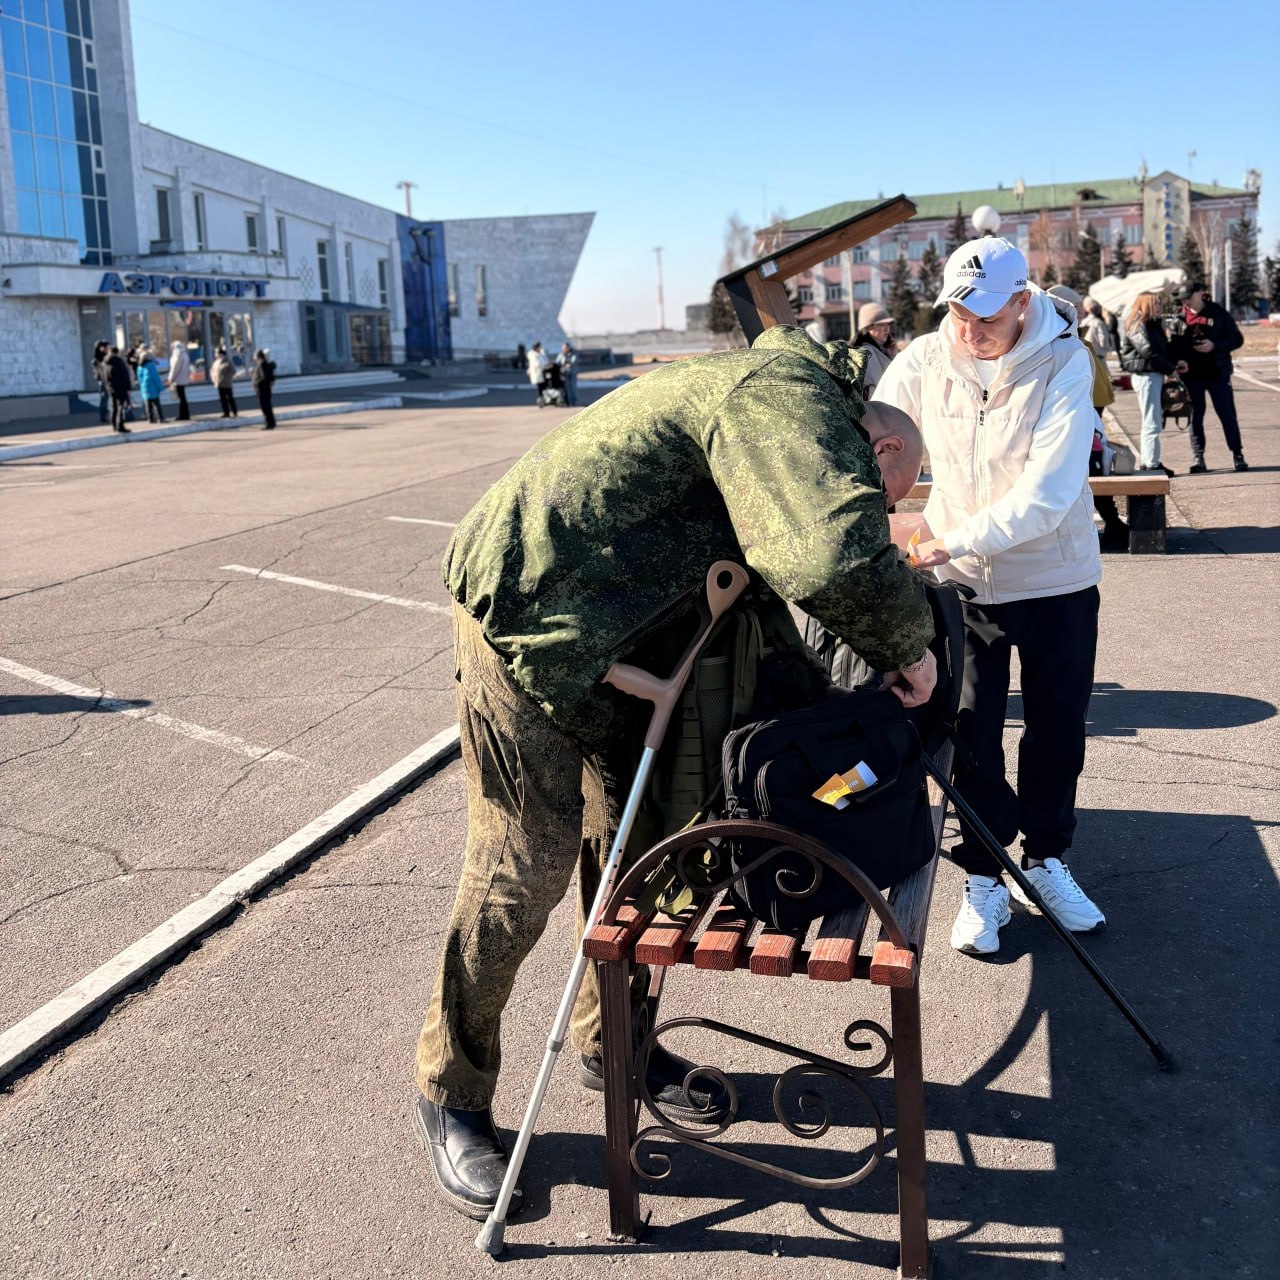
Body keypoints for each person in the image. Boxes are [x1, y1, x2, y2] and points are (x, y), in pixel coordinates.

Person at [413, 325, 937, 1221]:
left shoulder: (794, 407)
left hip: (615, 643)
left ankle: (611, 1045)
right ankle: (450, 1090)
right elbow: (827, 555)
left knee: (638, 853)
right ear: (882, 448)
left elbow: (775, 596)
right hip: (524, 620)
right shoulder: (787, 395)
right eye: (887, 497)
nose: (883, 515)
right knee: (523, 867)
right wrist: (908, 648)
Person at [875, 236, 1107, 958]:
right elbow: (876, 428)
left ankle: (1046, 861)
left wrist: (948, 538)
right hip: (964, 589)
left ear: (1021, 299)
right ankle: (983, 876)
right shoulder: (925, 358)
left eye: (986, 315)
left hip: (1055, 580)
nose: (971, 330)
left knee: (1056, 729)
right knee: (970, 735)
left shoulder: (1065, 360)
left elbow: (1050, 493)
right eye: (958, 312)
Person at [1047, 285, 1129, 550]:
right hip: (1078, 411)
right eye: (1076, 307)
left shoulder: (1076, 338)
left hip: (1091, 409)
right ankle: (1111, 522)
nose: (1081, 312)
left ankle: (1112, 522)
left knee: (1093, 466)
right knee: (1086, 470)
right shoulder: (1061, 343)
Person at [1169, 280, 1247, 472]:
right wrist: (1179, 360)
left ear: (1200, 293)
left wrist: (1215, 345)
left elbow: (1237, 339)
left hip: (1217, 373)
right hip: (1192, 376)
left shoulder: (1217, 313)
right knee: (1195, 416)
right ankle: (1198, 458)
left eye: (1189, 297)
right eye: (1183, 299)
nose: (1186, 302)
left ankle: (1237, 455)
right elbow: (1173, 346)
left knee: (1227, 414)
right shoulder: (1179, 319)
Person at [1118, 292, 1183, 476]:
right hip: (1146, 375)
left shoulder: (1151, 324)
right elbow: (1148, 352)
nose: (1159, 307)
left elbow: (1161, 350)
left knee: (1152, 419)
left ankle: (1150, 461)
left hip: (1152, 374)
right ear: (1145, 305)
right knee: (1151, 421)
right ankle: (1152, 464)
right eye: (1155, 304)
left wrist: (1173, 364)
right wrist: (1170, 370)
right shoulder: (1138, 325)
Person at [852, 302, 898, 398]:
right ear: (868, 327)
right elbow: (883, 384)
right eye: (881, 325)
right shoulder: (867, 353)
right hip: (877, 409)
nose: (887, 329)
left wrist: (893, 356)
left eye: (888, 324)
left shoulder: (883, 350)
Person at [104, 346, 133, 434]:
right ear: (117, 352)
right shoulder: (119, 362)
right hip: (120, 388)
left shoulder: (105, 363)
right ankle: (120, 425)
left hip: (110, 388)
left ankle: (114, 425)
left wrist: (108, 386)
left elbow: (104, 377)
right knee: (120, 406)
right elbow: (124, 375)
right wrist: (128, 387)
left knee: (114, 407)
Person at [136, 350, 165, 423]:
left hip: (144, 388)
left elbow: (139, 379)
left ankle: (150, 419)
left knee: (147, 405)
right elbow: (155, 377)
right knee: (156, 404)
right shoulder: (151, 365)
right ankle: (160, 418)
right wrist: (160, 387)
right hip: (153, 388)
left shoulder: (139, 366)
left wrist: (141, 386)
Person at [252, 348, 277, 430]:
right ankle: (272, 423)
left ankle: (269, 423)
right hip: (265, 389)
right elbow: (271, 376)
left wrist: (257, 383)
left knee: (265, 407)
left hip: (263, 390)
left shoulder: (261, 364)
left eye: (255, 356)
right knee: (268, 407)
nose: (254, 357)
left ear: (258, 356)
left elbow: (265, 377)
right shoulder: (265, 363)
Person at [210, 347, 238, 418]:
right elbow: (212, 371)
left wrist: (226, 377)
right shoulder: (216, 362)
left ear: (221, 354)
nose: (216, 355)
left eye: (218, 353)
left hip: (227, 383)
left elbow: (233, 371)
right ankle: (226, 412)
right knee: (222, 399)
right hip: (219, 383)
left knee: (230, 398)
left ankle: (234, 412)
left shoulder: (227, 361)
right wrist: (213, 379)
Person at [167, 341, 192, 420]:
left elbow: (175, 368)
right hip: (183, 379)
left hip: (178, 379)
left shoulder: (178, 355)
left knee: (181, 397)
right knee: (183, 397)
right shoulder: (185, 354)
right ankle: (185, 414)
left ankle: (183, 415)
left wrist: (171, 378)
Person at [91, 341, 111, 424]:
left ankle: (106, 415)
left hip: (107, 380)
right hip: (103, 380)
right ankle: (103, 416)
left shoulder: (105, 357)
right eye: (106, 347)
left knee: (105, 398)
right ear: (101, 348)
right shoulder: (98, 359)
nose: (107, 349)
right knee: (104, 398)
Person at [556, 341, 580, 406]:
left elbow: (573, 361)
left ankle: (574, 402)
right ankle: (568, 402)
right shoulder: (561, 354)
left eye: (565, 348)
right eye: (563, 348)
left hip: (572, 373)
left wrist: (568, 364)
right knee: (566, 389)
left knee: (573, 388)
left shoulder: (573, 353)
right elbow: (557, 362)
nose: (564, 349)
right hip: (564, 374)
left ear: (568, 348)